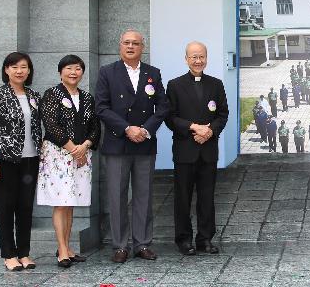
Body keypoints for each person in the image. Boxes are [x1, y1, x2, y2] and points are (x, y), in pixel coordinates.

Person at [96, 30, 169, 263]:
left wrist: (145, 130)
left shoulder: (153, 73)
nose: (130, 46)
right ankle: (119, 245)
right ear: (120, 46)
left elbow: (163, 107)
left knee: (144, 196)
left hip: (144, 143)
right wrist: (127, 128)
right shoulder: (108, 72)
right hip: (118, 143)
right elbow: (102, 107)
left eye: (135, 43)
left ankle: (142, 244)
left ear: (142, 47)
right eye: (126, 43)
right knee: (117, 196)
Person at [165, 41, 228, 256]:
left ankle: (205, 239)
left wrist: (210, 131)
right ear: (186, 59)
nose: (198, 60)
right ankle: (183, 240)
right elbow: (170, 117)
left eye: (201, 56)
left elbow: (222, 114)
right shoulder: (174, 85)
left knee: (207, 197)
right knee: (182, 198)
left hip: (208, 151)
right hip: (185, 150)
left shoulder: (216, 84)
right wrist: (193, 128)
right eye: (193, 57)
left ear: (206, 58)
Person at [38, 55, 101, 268]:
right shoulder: (51, 94)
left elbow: (95, 126)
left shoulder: (87, 97)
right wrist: (73, 148)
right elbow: (51, 124)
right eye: (69, 68)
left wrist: (85, 146)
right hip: (58, 154)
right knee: (61, 201)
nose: (73, 72)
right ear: (60, 72)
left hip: (82, 155)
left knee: (71, 201)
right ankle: (62, 249)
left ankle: (68, 246)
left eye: (77, 68)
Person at [0, 52, 42, 271]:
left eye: (24, 67)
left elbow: (37, 127)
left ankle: (24, 253)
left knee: (26, 207)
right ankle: (8, 255)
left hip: (31, 159)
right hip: (5, 159)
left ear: (29, 70)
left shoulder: (33, 95)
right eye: (15, 67)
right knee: (6, 207)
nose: (20, 71)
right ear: (6, 69)